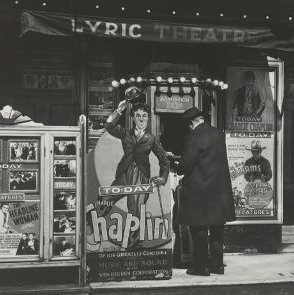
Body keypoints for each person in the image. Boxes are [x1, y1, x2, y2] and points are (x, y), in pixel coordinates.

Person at [99, 98, 170, 247]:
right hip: (124, 174)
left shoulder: (151, 139)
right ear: (133, 118)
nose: (142, 119)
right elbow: (108, 125)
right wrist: (119, 110)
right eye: (138, 115)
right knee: (105, 198)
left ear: (148, 118)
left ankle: (134, 245)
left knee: (136, 212)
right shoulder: (125, 133)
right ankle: (94, 226)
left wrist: (163, 178)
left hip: (141, 177)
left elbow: (165, 161)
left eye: (144, 116)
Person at [178, 107, 236, 276]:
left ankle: (201, 267)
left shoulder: (193, 136)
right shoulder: (218, 134)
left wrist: (179, 167)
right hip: (219, 190)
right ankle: (217, 266)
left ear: (192, 122)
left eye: (189, 125)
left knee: (199, 229)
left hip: (200, 189)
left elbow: (186, 164)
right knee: (217, 229)